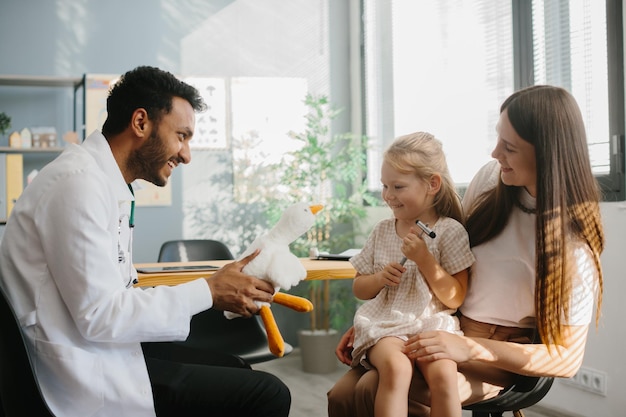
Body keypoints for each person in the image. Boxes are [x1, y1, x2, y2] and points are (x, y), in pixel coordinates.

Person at [0, 66, 290, 417]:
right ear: (140, 123)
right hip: (79, 371)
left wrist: (212, 294)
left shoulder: (104, 183)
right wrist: (209, 291)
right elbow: (101, 314)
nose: (186, 154)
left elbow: (116, 294)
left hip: (100, 348)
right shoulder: (77, 184)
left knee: (236, 368)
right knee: (267, 393)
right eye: (181, 135)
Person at [327, 85, 604, 417]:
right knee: (341, 395)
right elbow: (445, 258)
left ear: (546, 152)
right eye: (498, 138)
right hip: (438, 326)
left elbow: (567, 358)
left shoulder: (574, 247)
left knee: (370, 390)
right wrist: (384, 319)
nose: (494, 153)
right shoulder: (491, 179)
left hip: (495, 355)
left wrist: (470, 347)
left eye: (509, 147)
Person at [349, 132, 474, 417]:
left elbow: (455, 298)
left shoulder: (450, 232)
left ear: (432, 184)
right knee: (397, 367)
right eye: (384, 186)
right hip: (386, 326)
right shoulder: (382, 231)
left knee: (443, 374)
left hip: (432, 325)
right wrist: (379, 279)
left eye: (398, 186)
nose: (388, 195)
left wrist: (425, 260)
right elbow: (359, 288)